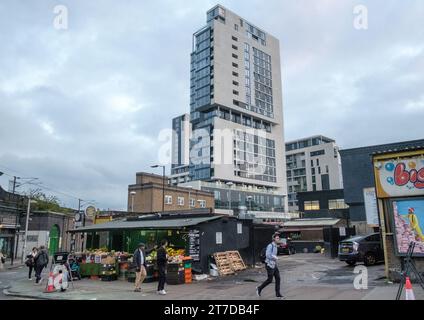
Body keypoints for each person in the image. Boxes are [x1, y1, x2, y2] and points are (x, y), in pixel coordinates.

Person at [256, 233, 283, 298]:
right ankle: (259, 288)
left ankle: (278, 293)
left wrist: (274, 258)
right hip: (269, 265)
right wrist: (274, 257)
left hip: (273, 264)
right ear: (274, 239)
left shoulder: (276, 246)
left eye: (278, 238)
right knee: (270, 280)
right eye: (277, 238)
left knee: (278, 278)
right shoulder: (270, 246)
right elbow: (268, 255)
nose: (278, 239)